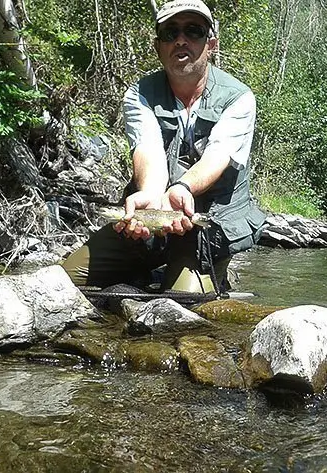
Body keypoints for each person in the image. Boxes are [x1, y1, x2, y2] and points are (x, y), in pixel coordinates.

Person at [62, 0, 265, 293]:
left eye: (193, 31)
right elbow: (148, 149)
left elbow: (217, 156)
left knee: (184, 300)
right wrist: (151, 194)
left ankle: (203, 276)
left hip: (209, 222)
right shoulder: (139, 94)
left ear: (211, 45)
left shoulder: (239, 97)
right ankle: (144, 270)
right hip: (154, 210)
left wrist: (182, 189)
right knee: (67, 281)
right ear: (158, 47)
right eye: (170, 33)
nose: (181, 40)